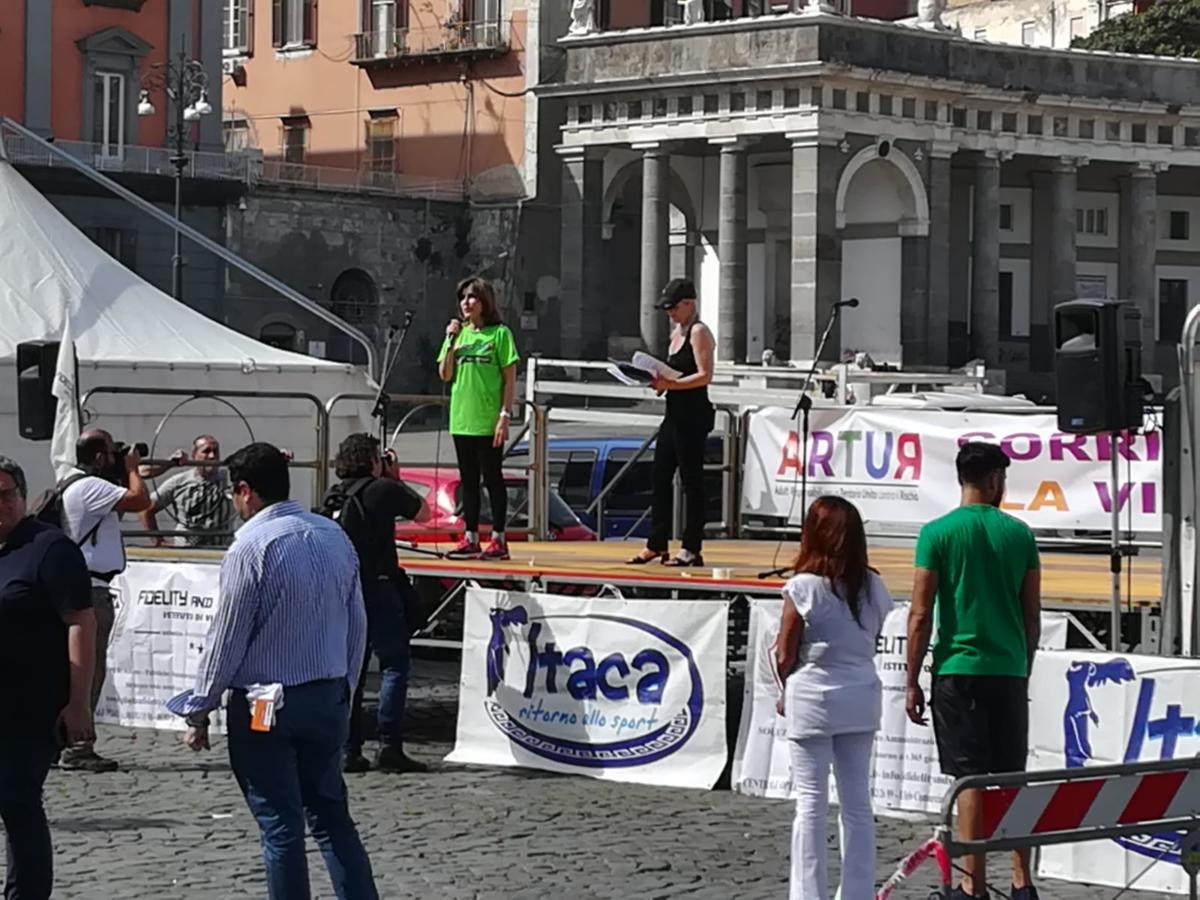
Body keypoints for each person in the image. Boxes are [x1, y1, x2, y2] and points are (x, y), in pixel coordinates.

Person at [168, 442, 377, 900]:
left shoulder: (250, 547)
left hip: (265, 704)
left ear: (246, 491)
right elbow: (357, 623)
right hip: (325, 694)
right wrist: (344, 689)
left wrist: (200, 708)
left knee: (280, 827)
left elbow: (227, 639)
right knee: (333, 819)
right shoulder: (333, 535)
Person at [906, 441, 1042, 900]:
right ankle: (1022, 881)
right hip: (1007, 668)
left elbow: (920, 614)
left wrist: (911, 679)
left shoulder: (936, 534)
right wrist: (1023, 665)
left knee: (969, 780)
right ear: (994, 480)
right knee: (1013, 777)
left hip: (957, 668)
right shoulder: (1020, 534)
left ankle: (972, 884)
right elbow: (1031, 615)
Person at [775, 495, 893, 900]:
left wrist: (783, 689)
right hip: (861, 694)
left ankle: (808, 895)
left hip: (813, 697)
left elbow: (785, 654)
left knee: (811, 802)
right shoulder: (874, 586)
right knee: (857, 803)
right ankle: (857, 893)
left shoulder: (802, 587)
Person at [0, 456, 96, 900]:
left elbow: (81, 622)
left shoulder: (49, 549)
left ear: (22, 496)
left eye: (5, 495)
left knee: (17, 800)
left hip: (30, 707)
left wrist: (78, 704)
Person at [326, 433, 431, 774]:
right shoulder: (383, 489)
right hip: (379, 587)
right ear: (374, 460)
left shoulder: (334, 494)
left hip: (344, 589)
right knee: (394, 664)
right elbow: (425, 513)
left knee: (352, 670)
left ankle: (348, 749)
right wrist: (394, 477)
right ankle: (389, 746)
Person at [59, 429, 152, 772]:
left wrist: (140, 467)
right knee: (89, 669)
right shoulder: (92, 487)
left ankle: (59, 741)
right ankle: (79, 747)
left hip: (80, 586)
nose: (116, 458)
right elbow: (140, 499)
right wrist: (133, 468)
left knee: (71, 669)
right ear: (100, 457)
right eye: (112, 453)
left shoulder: (73, 483)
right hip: (92, 591)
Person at [627, 278, 715, 567]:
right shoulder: (676, 334)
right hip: (674, 412)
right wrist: (658, 382)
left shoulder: (699, 332)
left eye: (674, 308)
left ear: (689, 304)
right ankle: (657, 542)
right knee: (660, 475)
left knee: (691, 481)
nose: (671, 314)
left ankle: (691, 547)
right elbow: (674, 372)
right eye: (667, 310)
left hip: (693, 414)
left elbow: (704, 375)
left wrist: (672, 385)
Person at [437, 276, 520, 561]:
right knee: (468, 480)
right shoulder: (458, 335)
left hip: (488, 419)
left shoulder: (500, 334)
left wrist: (504, 415)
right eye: (463, 298)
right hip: (462, 419)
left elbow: (509, 379)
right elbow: (445, 374)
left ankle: (499, 539)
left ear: (484, 302)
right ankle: (470, 536)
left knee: (492, 478)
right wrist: (450, 340)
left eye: (472, 297)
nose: (466, 303)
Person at [138, 434, 236, 547]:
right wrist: (158, 540)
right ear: (194, 455)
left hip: (222, 550)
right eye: (206, 451)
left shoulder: (230, 479)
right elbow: (145, 509)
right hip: (187, 552)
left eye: (215, 451)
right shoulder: (180, 482)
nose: (212, 456)